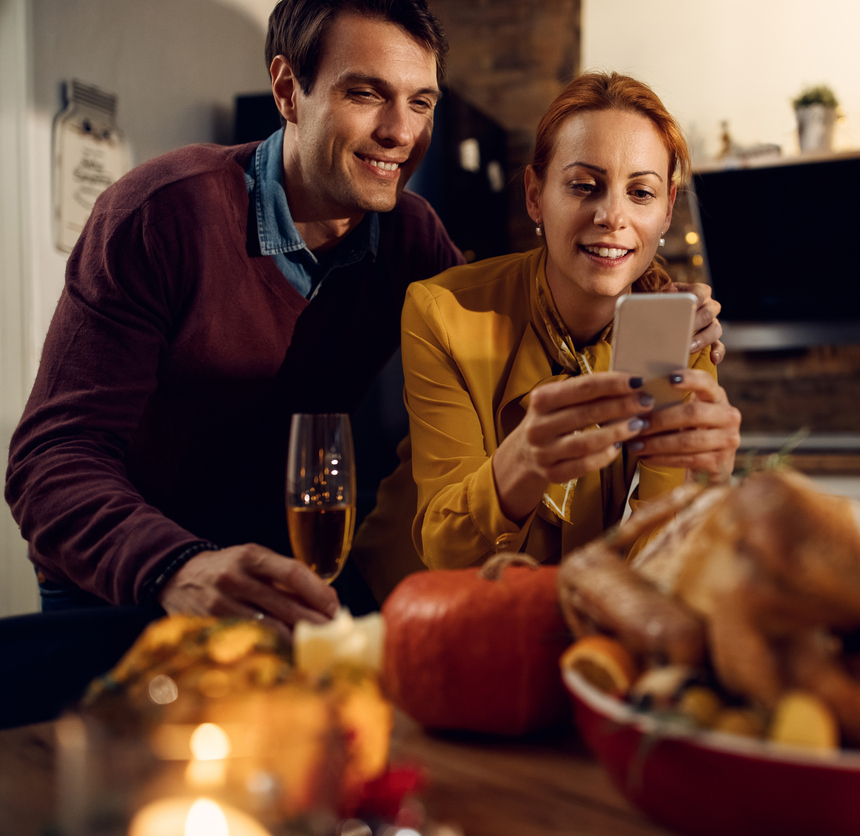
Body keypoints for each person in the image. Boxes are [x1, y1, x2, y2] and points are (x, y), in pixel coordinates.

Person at [4, 1, 724, 632]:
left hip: (287, 578)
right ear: (289, 89)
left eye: (420, 102)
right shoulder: (161, 213)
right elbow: (48, 465)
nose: (399, 131)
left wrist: (656, 298)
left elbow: (531, 290)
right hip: (126, 584)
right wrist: (178, 569)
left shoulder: (412, 239)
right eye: (365, 94)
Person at [394, 72, 740, 574]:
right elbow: (447, 551)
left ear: (667, 211)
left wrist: (707, 489)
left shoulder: (682, 333)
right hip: (428, 609)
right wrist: (523, 464)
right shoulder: (441, 311)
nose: (612, 216)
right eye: (584, 186)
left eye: (640, 193)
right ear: (535, 195)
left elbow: (662, 560)